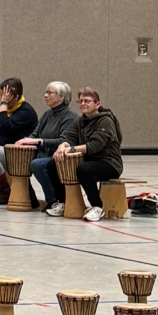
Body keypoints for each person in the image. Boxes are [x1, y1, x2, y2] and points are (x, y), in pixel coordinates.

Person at [45, 87, 123, 222]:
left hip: (109, 163)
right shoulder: (80, 121)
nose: (83, 104)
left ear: (97, 104)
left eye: (87, 101)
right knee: (53, 164)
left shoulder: (105, 121)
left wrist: (70, 150)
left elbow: (94, 146)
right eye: (80, 101)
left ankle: (97, 207)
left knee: (84, 169)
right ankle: (63, 202)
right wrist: (62, 146)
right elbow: (70, 138)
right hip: (89, 160)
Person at [15, 81, 78, 210]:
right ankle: (30, 198)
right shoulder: (47, 115)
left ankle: (53, 200)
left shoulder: (70, 117)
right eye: (46, 92)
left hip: (59, 157)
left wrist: (39, 141)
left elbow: (64, 141)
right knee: (14, 159)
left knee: (37, 164)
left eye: (50, 92)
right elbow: (35, 134)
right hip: (43, 154)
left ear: (61, 97)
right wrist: (23, 142)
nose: (45, 95)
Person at [0, 77, 38, 205]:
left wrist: (3, 105)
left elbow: (4, 127)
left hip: (21, 153)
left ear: (15, 96)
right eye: (1, 97)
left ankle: (3, 191)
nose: (2, 100)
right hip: (5, 149)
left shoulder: (25, 111)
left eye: (5, 97)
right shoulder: (4, 111)